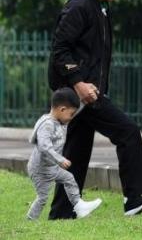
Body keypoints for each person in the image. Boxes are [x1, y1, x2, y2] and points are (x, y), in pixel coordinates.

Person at [48, 0, 142, 219]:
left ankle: (62, 212)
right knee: (127, 131)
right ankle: (134, 198)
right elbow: (59, 50)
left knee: (76, 150)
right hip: (78, 94)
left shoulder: (100, 6)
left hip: (88, 92)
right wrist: (78, 84)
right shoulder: (79, 7)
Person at [26, 88, 102, 220]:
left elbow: (74, 110)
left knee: (69, 178)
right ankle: (30, 220)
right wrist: (60, 159)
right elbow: (44, 146)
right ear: (62, 110)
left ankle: (79, 207)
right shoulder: (47, 125)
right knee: (43, 197)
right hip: (39, 170)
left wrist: (85, 99)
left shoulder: (61, 120)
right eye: (71, 114)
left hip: (51, 167)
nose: (72, 117)